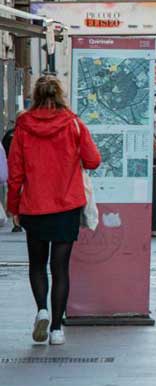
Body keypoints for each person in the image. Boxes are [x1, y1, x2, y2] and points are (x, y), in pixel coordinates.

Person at [5, 75, 101, 346]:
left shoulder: (23, 126)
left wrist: (14, 206)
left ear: (35, 95)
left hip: (34, 206)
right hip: (66, 206)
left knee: (37, 265)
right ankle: (57, 329)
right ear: (60, 94)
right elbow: (93, 160)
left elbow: (15, 172)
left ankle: (42, 310)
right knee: (60, 268)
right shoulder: (73, 124)